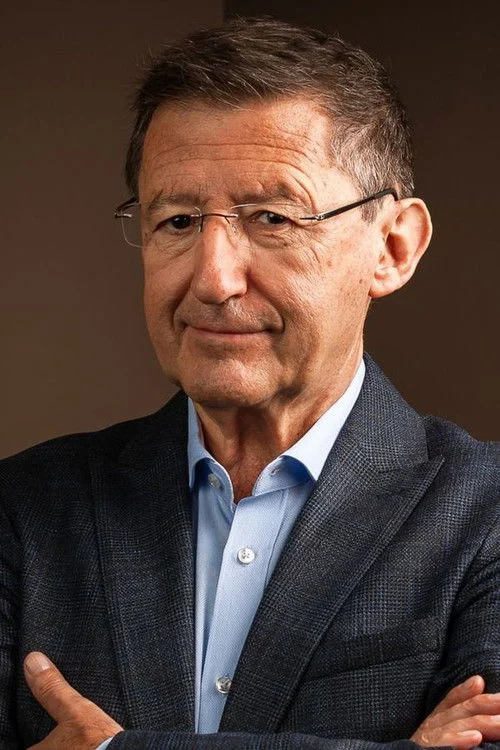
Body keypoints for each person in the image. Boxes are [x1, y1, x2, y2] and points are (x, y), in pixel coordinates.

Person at [1, 16, 499, 750]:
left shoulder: (485, 514)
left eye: (272, 218)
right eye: (178, 221)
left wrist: (112, 749)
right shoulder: (24, 511)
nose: (213, 279)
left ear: (392, 248)